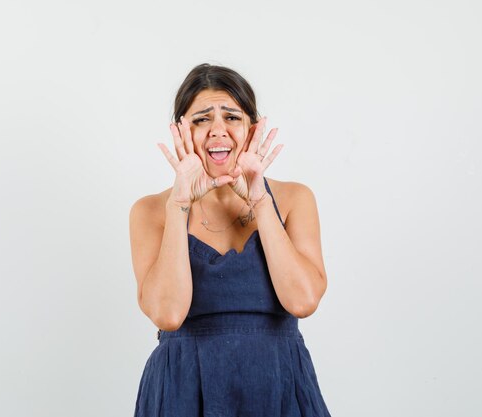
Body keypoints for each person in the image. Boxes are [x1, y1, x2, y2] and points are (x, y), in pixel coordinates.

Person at [129, 63, 331, 416]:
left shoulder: (294, 199)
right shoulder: (150, 211)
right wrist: (179, 204)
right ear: (182, 131)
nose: (217, 131)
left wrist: (260, 201)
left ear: (252, 129)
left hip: (278, 387)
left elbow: (303, 301)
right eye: (202, 119)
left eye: (232, 118)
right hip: (182, 391)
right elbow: (167, 314)